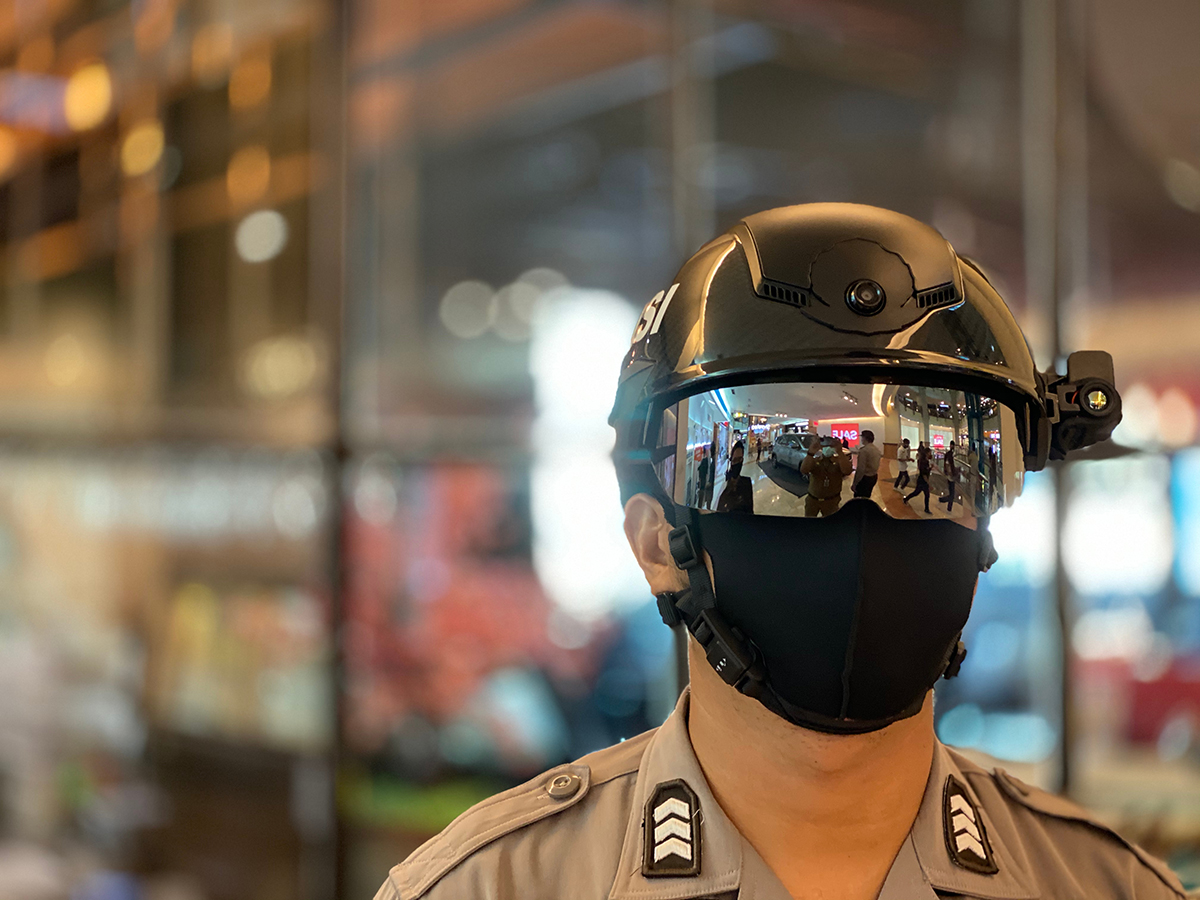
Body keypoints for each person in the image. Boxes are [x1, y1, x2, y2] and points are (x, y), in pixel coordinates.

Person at [376, 204, 1163, 900]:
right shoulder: (489, 887)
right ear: (658, 543)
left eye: (930, 474)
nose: (868, 514)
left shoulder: (1107, 885)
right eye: (786, 472)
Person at [800, 438, 852, 517]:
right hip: (813, 499)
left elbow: (847, 471)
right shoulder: (815, 460)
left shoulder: (838, 461)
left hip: (831, 501)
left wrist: (840, 452)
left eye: (830, 445)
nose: (828, 448)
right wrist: (811, 453)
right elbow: (804, 470)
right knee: (809, 523)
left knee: (830, 525)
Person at [715, 440, 754, 514]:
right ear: (731, 461)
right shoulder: (724, 485)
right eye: (735, 460)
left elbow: (750, 511)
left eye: (740, 459)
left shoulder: (746, 483)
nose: (738, 463)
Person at [852, 430, 882, 499]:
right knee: (867, 498)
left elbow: (860, 469)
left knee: (858, 500)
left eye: (862, 437)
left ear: (865, 438)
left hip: (865, 479)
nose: (861, 439)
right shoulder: (876, 449)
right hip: (873, 477)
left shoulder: (864, 451)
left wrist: (855, 483)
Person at [904, 442, 933, 513]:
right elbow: (924, 474)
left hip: (922, 480)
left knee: (925, 494)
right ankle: (906, 499)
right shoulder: (924, 462)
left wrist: (930, 468)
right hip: (922, 481)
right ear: (927, 453)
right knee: (917, 493)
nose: (930, 454)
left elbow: (926, 471)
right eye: (929, 452)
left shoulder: (925, 461)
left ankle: (926, 508)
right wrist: (929, 484)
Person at [941, 441, 959, 511]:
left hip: (950, 475)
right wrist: (950, 473)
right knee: (952, 493)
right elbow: (948, 464)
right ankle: (945, 502)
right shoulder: (950, 454)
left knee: (951, 492)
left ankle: (949, 507)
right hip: (950, 475)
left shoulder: (949, 454)